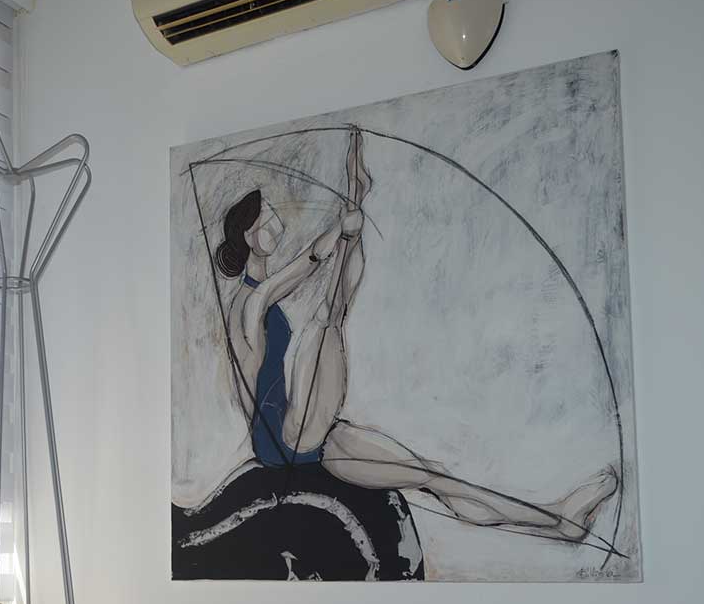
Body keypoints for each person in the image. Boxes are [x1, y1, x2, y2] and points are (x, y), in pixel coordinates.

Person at [214, 127, 618, 546]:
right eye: (267, 217)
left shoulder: (258, 298)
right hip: (282, 441)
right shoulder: (248, 303)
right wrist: (339, 231)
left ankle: (558, 520)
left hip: (309, 434)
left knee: (431, 475)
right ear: (250, 236)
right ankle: (356, 204)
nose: (277, 220)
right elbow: (304, 267)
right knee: (325, 321)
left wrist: (348, 229)